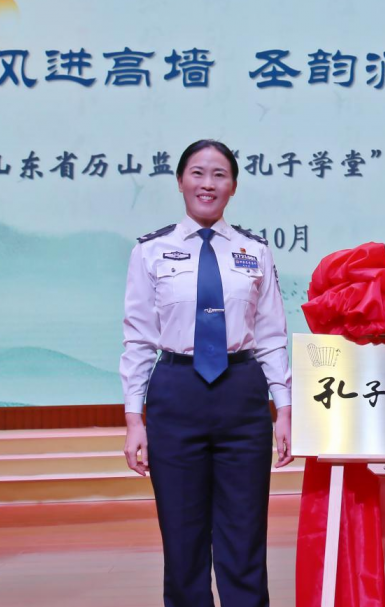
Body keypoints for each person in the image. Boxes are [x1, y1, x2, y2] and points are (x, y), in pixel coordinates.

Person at [120, 139, 293, 607]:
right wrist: (134, 419)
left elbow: (271, 335)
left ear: (233, 186)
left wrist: (284, 409)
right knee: (182, 536)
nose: (208, 184)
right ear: (180, 181)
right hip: (176, 392)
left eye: (219, 174)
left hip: (242, 393)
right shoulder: (151, 251)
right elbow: (138, 339)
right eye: (197, 173)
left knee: (244, 533)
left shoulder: (255, 251)